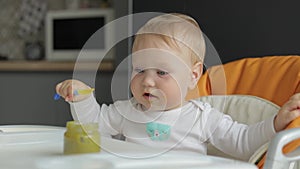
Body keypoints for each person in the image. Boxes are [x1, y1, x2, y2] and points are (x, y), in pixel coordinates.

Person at [55, 13, 300, 160]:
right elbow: (93, 127)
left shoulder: (203, 118)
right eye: (139, 70)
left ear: (193, 76)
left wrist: (276, 123)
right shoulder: (126, 111)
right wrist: (82, 99)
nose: (147, 81)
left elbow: (244, 142)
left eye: (161, 72)